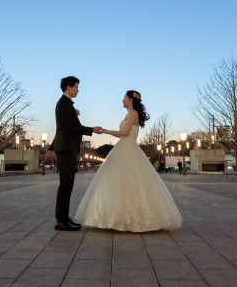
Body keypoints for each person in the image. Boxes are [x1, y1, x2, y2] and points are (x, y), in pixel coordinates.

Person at [74, 90, 183, 232]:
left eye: (124, 97)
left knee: (128, 181)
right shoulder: (129, 114)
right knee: (118, 181)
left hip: (128, 148)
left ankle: (127, 218)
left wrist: (107, 131)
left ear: (131, 99)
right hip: (123, 148)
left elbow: (125, 133)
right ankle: (117, 216)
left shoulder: (133, 114)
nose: (122, 100)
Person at [50, 76, 102, 231]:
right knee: (66, 183)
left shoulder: (67, 103)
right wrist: (92, 129)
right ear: (68, 88)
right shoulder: (64, 104)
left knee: (68, 183)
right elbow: (72, 126)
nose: (78, 90)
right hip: (65, 147)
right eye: (76, 87)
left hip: (68, 147)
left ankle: (64, 218)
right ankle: (61, 220)